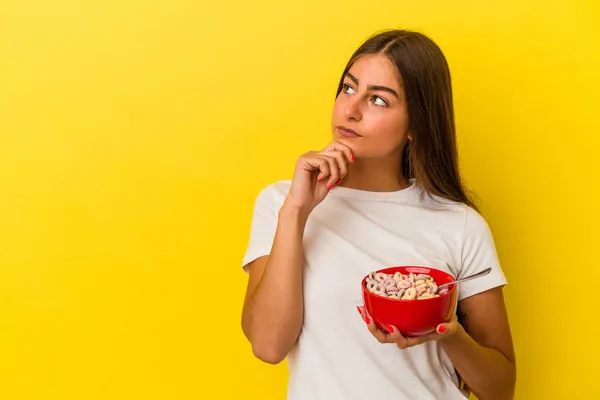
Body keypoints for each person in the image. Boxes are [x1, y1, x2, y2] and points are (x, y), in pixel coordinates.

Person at [240, 29, 516, 400]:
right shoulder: (282, 202)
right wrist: (296, 211)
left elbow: (501, 389)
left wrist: (447, 332)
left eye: (379, 101)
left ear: (416, 126)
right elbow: (268, 346)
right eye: (348, 89)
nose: (350, 110)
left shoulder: (460, 224)